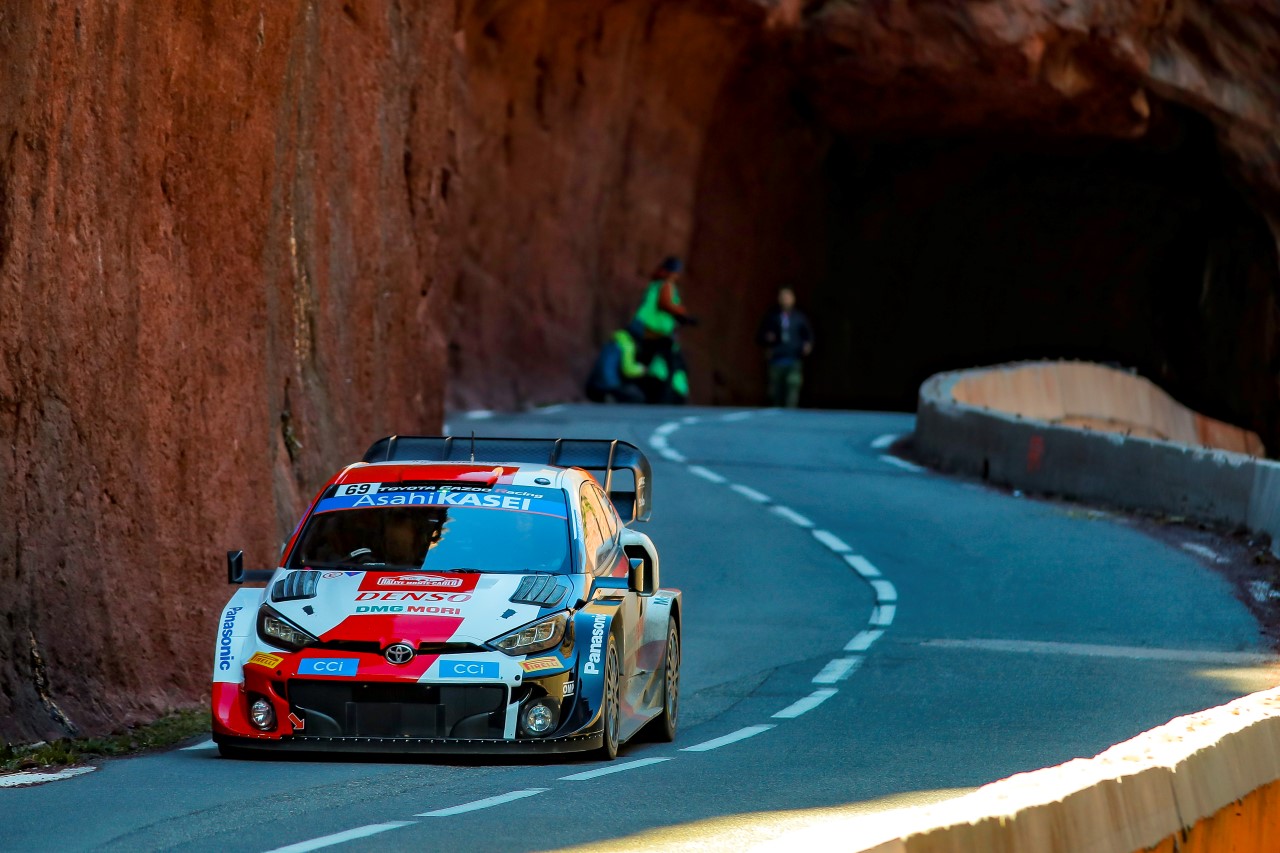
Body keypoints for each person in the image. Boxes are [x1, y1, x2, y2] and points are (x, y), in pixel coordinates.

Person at [631, 256, 697, 403]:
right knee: (672, 364)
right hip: (657, 333)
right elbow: (665, 303)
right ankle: (663, 398)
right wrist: (682, 314)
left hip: (647, 332)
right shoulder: (666, 285)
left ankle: (645, 396)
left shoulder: (655, 285)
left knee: (646, 363)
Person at [757, 286, 814, 408]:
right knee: (775, 392)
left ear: (793, 299)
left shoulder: (799, 318)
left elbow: (808, 335)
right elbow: (760, 335)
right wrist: (767, 338)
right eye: (783, 297)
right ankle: (776, 414)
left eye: (788, 297)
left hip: (793, 359)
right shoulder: (772, 317)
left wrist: (807, 345)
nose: (785, 300)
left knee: (792, 388)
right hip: (776, 359)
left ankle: (790, 413)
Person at [585, 326, 648, 404]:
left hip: (595, 384)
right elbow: (627, 369)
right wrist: (641, 369)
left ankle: (608, 397)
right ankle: (611, 397)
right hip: (611, 384)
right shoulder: (627, 345)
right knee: (638, 397)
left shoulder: (614, 339)